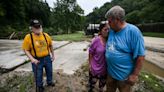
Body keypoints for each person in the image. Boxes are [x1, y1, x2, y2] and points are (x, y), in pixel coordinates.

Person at [105, 5, 145, 92]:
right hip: (110, 73)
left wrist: (134, 75)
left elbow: (140, 56)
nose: (108, 23)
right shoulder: (112, 29)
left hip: (124, 77)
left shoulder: (133, 31)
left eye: (110, 21)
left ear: (117, 20)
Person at [22, 19, 55, 92]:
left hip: (47, 58)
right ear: (31, 28)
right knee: (38, 75)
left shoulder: (45, 35)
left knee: (49, 71)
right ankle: (40, 86)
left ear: (41, 27)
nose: (37, 28)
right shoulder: (28, 37)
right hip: (37, 59)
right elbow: (26, 50)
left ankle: (49, 82)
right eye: (35, 27)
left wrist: (53, 55)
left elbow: (51, 45)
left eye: (39, 26)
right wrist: (32, 59)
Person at [88, 22, 109, 92]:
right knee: (92, 85)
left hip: (105, 69)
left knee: (102, 86)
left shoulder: (110, 40)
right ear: (100, 30)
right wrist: (90, 65)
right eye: (105, 29)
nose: (107, 31)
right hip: (95, 68)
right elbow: (90, 52)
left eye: (108, 30)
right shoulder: (96, 40)